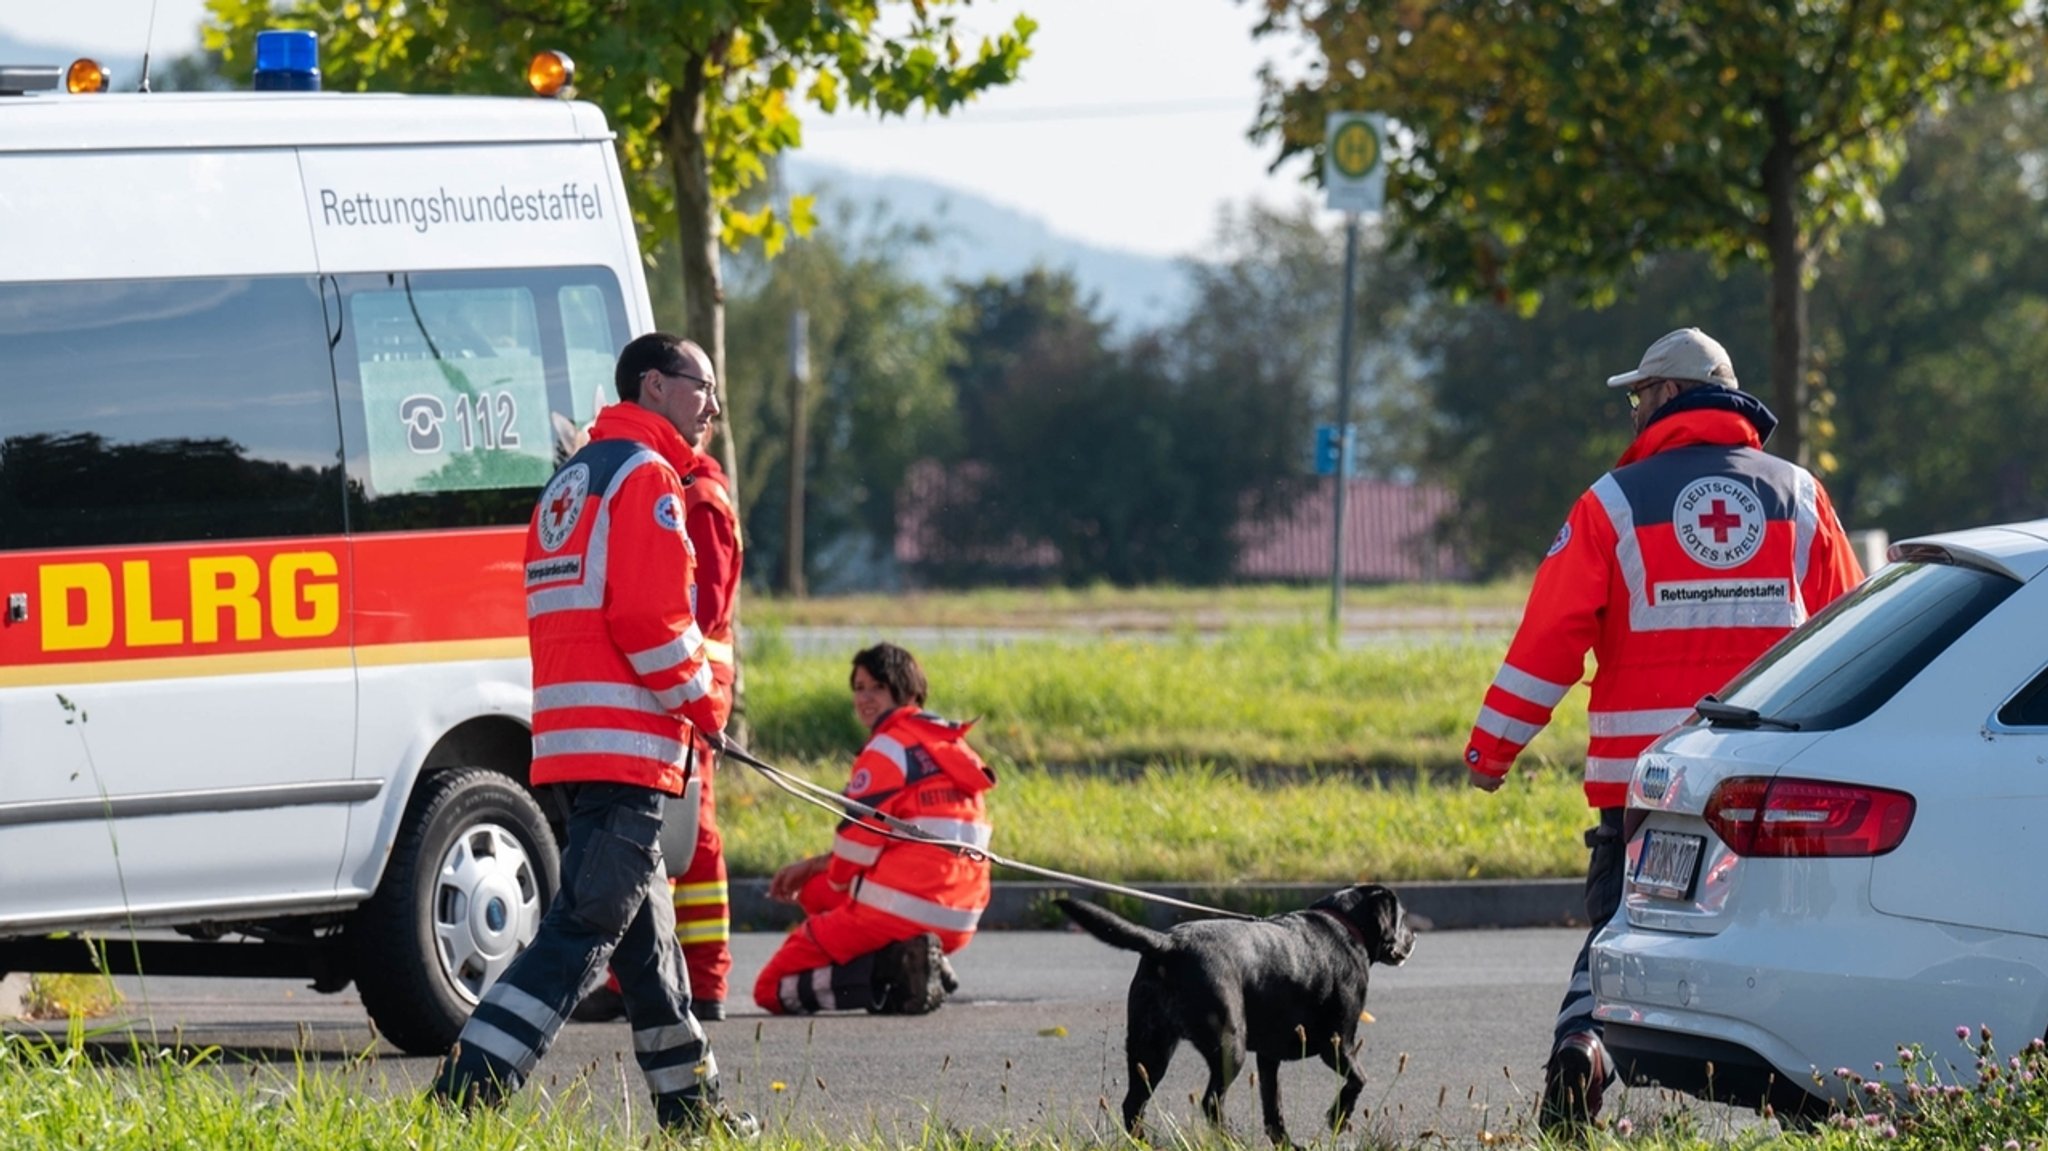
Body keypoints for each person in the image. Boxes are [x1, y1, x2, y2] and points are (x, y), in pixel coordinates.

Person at [1462, 327, 1863, 1133]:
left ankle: (1586, 1049)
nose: (1636, 408)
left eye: (1642, 394)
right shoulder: (1799, 495)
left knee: (1621, 935)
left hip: (1645, 785)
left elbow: (1548, 640)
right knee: (1783, 944)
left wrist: (1492, 749)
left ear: (1675, 396)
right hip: (1767, 785)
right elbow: (1851, 637)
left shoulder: (1612, 501)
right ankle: (1816, 1107)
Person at [428, 333, 755, 1141]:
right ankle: (465, 1096)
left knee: (649, 950)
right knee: (580, 930)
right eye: (700, 384)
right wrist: (709, 703)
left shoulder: (573, 478)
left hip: (576, 742)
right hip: (628, 747)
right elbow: (650, 619)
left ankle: (692, 1112)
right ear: (653, 384)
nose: (711, 403)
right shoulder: (646, 479)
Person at [574, 428, 745, 1023]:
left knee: (685, 838)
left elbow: (698, 609)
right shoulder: (675, 485)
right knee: (672, 842)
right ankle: (662, 981)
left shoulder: (693, 495)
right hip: (679, 688)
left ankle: (695, 979)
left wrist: (693, 693)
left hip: (686, 693)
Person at [752, 643, 996, 1016]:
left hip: (900, 910)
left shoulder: (887, 749)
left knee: (771, 990)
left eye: (877, 687)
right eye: (859, 687)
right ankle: (914, 962)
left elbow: (855, 849)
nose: (865, 698)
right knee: (817, 891)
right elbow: (903, 840)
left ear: (909, 691)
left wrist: (834, 888)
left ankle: (894, 975)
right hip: (959, 918)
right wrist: (817, 868)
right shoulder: (952, 748)